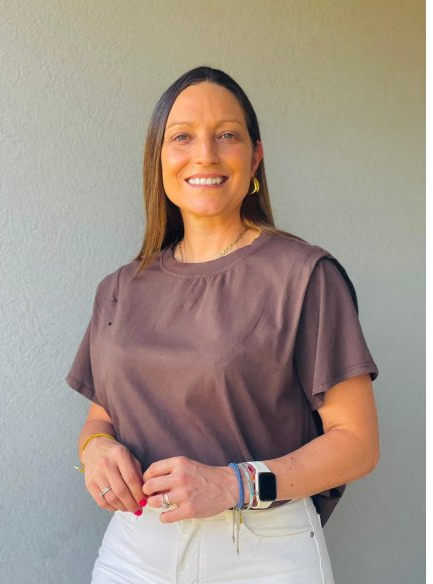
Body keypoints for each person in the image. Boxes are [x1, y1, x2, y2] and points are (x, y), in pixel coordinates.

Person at [66, 66, 379, 584]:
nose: (205, 154)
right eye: (182, 137)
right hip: (134, 551)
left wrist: (234, 483)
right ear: (158, 160)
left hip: (261, 553)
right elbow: (102, 418)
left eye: (226, 135)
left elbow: (358, 442)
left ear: (255, 156)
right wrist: (95, 449)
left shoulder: (305, 276)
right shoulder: (120, 288)